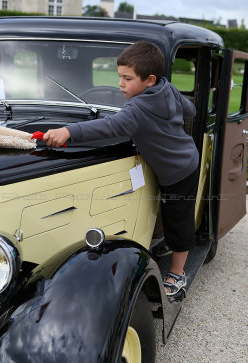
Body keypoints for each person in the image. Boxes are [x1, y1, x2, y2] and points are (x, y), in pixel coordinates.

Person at [43, 40, 199, 300]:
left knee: (178, 220)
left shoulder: (136, 109)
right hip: (185, 155)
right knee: (170, 213)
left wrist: (68, 131)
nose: (120, 84)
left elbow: (110, 127)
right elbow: (190, 110)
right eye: (119, 77)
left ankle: (178, 273)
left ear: (149, 80)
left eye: (127, 78)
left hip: (178, 170)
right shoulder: (166, 87)